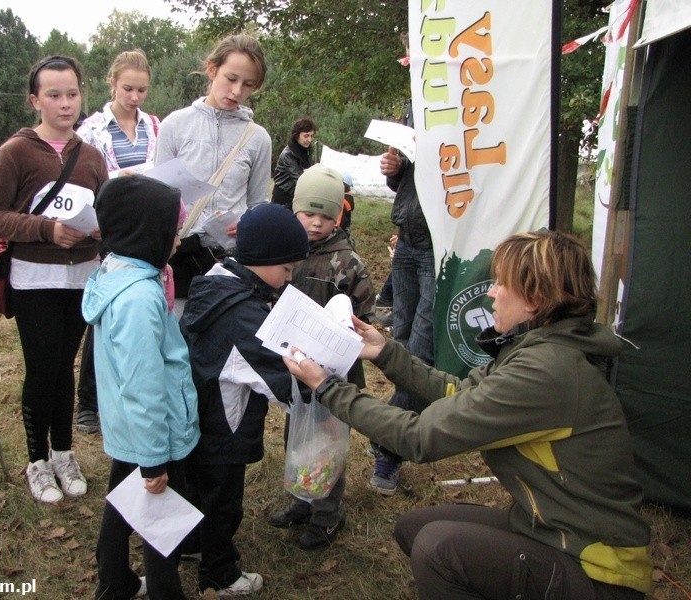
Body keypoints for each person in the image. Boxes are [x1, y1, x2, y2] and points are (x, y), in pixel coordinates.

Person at [285, 230, 653, 600]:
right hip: (546, 528)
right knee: (414, 527)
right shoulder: (540, 348)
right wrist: (385, 353)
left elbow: (418, 437)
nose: (491, 292)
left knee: (437, 548)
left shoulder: (547, 371)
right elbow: (457, 393)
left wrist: (328, 387)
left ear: (536, 300)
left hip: (597, 571)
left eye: (501, 283)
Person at [0, 55, 108, 504]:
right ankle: (37, 461)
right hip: (34, 278)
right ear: (35, 100)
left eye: (72, 93)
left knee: (66, 366)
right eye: (54, 95)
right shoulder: (16, 151)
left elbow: (105, 210)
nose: (65, 103)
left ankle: (64, 452)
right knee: (42, 368)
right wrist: (46, 230)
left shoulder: (91, 156)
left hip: (82, 278)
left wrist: (99, 229)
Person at [180, 203, 309, 596]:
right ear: (260, 260)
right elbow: (285, 384)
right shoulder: (245, 315)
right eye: (286, 269)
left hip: (195, 414)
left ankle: (190, 543)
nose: (289, 278)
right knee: (224, 501)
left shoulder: (215, 280)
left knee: (196, 487)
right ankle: (219, 573)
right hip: (226, 425)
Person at [82, 175, 200, 600]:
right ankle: (166, 592)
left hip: (128, 427)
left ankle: (114, 580)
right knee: (158, 519)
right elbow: (144, 384)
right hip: (154, 431)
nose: (177, 240)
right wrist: (154, 460)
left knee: (122, 499)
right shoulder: (139, 300)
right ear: (144, 231)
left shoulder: (118, 272)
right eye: (171, 231)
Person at [269, 165, 374, 550]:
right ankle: (301, 501)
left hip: (337, 375)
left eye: (325, 216)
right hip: (297, 370)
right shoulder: (286, 253)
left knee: (328, 446)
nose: (315, 223)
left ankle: (328, 515)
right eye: (307, 214)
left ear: (338, 216)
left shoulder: (348, 262)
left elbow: (367, 317)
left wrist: (349, 329)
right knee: (297, 438)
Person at [74, 49, 161, 435]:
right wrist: (115, 177)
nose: (135, 97)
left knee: (142, 314)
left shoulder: (155, 126)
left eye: (142, 90)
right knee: (107, 313)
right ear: (112, 83)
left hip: (147, 229)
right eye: (128, 88)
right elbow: (78, 179)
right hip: (109, 231)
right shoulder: (91, 129)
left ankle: (134, 394)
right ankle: (89, 402)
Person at [157, 33, 272, 305]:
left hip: (230, 261)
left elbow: (257, 203)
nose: (236, 91)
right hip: (180, 256)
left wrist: (247, 224)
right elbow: (159, 196)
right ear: (212, 69)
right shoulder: (175, 125)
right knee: (178, 340)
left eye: (247, 84)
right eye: (231, 79)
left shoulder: (258, 138)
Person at [369, 34, 435, 495]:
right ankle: (395, 429)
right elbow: (412, 185)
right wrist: (395, 173)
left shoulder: (463, 104)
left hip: (439, 247)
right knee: (407, 337)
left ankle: (387, 446)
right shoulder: (416, 106)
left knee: (424, 345)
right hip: (409, 243)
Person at [270, 117, 316, 209]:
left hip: (295, 196)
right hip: (283, 197)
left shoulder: (307, 150)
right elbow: (300, 178)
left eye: (311, 136)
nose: (309, 139)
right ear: (297, 135)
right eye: (306, 136)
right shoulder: (288, 154)